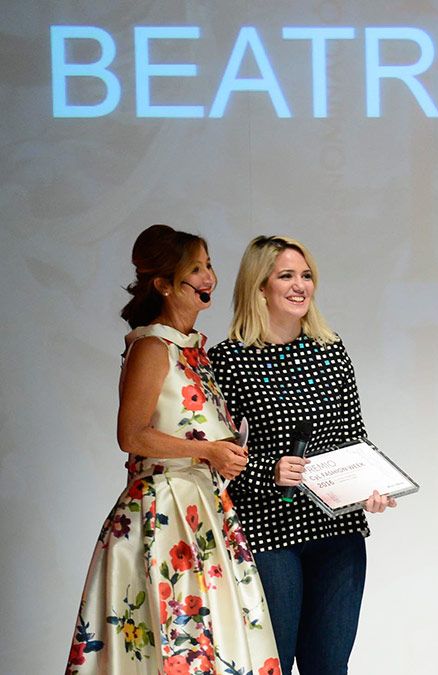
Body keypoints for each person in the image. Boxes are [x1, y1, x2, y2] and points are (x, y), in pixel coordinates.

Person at [66, 224, 279, 675]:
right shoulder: (152, 346)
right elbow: (132, 435)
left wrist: (222, 453)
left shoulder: (192, 350)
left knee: (209, 637)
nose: (209, 278)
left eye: (209, 266)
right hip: (164, 513)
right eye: (195, 270)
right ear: (163, 284)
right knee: (171, 635)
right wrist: (208, 453)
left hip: (201, 509)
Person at [208, 235, 395, 675]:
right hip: (270, 533)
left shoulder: (330, 349)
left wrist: (373, 486)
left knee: (329, 667)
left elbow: (354, 437)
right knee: (271, 664)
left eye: (306, 275)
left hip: (338, 530)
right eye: (286, 276)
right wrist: (265, 471)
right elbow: (215, 458)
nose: (300, 286)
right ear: (259, 288)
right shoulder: (229, 360)